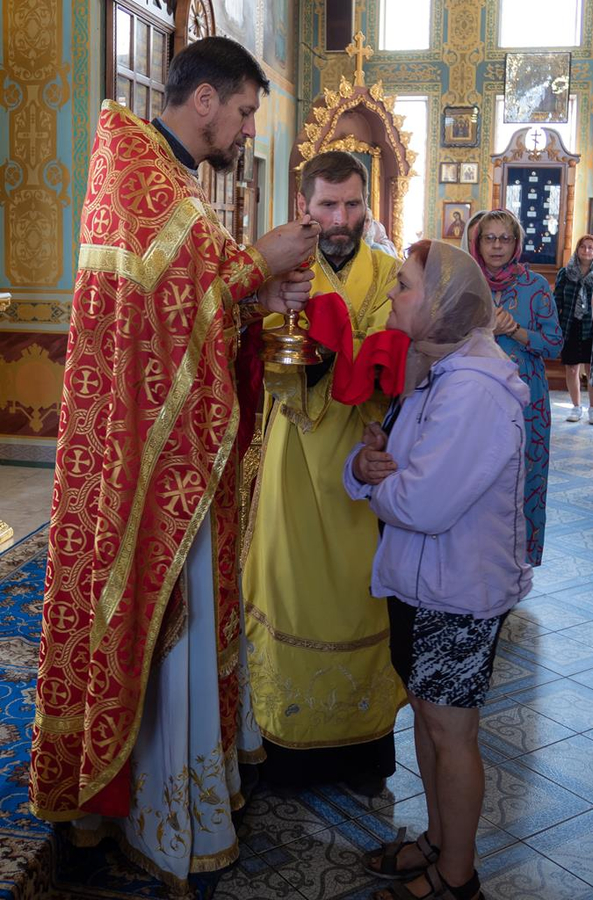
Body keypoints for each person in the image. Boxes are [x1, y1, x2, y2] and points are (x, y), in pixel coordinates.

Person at [28, 36, 320, 893]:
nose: (243, 130)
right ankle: (152, 817)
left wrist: (251, 292)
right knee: (162, 624)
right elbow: (174, 301)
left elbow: (190, 307)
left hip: (179, 446)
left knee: (183, 621)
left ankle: (167, 802)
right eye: (241, 112)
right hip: (150, 460)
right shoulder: (140, 173)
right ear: (204, 102)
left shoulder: (168, 177)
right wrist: (255, 267)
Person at [344, 239, 532, 900]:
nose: (393, 295)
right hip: (420, 581)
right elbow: (389, 463)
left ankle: (457, 877)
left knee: (452, 733)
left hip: (457, 590)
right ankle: (436, 840)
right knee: (426, 717)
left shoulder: (476, 389)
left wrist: (374, 485)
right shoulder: (435, 366)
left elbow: (421, 501)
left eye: (404, 285)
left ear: (444, 302)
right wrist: (366, 464)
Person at [242, 150, 406, 795]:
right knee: (290, 585)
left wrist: (372, 363)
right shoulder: (285, 271)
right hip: (294, 455)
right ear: (303, 209)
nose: (340, 220)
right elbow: (259, 363)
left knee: (361, 596)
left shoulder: (394, 274)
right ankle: (284, 754)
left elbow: (404, 370)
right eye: (327, 205)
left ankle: (364, 754)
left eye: (353, 204)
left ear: (368, 206)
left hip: (366, 462)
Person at [471, 209, 562, 567]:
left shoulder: (535, 286)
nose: (496, 246)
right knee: (478, 472)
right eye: (488, 238)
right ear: (477, 242)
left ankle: (520, 559)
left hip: (528, 399)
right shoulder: (467, 281)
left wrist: (514, 331)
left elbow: (554, 345)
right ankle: (478, 556)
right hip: (475, 395)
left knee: (526, 475)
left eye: (504, 238)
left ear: (516, 243)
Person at [553, 234, 593, 424]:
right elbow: (557, 300)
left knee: (592, 369)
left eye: (591, 248)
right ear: (577, 250)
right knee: (572, 368)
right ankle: (576, 406)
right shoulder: (565, 273)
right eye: (583, 247)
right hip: (570, 325)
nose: (586, 250)